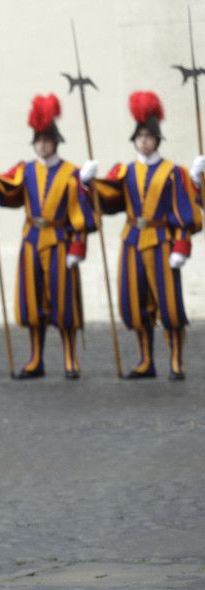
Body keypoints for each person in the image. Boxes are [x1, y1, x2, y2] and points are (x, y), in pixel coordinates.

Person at [87, 91, 201, 379]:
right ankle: (145, 360)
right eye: (139, 137)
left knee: (169, 305)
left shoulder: (173, 172)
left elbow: (183, 210)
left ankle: (176, 361)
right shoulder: (124, 171)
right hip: (132, 242)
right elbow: (109, 199)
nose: (144, 141)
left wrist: (181, 246)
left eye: (149, 136)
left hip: (162, 242)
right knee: (135, 304)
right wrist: (88, 184)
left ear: (157, 139)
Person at [0, 94, 95, 379]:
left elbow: (81, 210)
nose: (42, 145)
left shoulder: (71, 173)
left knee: (64, 302)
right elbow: (8, 191)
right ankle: (35, 359)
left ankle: (70, 358)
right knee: (32, 303)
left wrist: (78, 247)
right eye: (38, 141)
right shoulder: (26, 170)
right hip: (32, 240)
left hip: (60, 241)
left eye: (47, 140)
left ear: (55, 142)